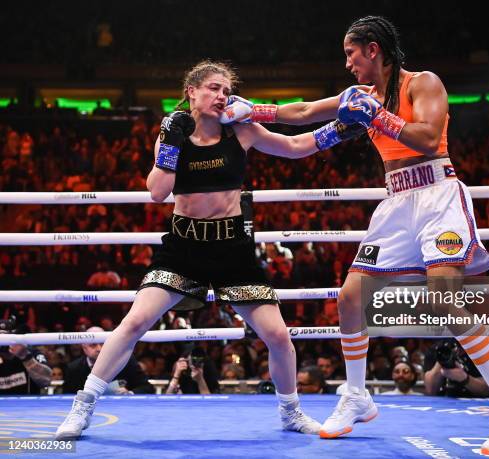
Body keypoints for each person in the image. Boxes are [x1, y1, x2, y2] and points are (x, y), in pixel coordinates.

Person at [221, 16, 489, 455]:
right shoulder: (360, 97)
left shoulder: (422, 83)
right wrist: (251, 109)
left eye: (351, 54)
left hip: (437, 195)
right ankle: (356, 395)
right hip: (396, 203)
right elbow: (302, 115)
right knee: (351, 297)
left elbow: (428, 139)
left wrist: (379, 116)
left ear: (373, 50)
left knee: (445, 296)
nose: (348, 64)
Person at [56, 59, 363, 440]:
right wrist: (169, 143)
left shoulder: (242, 130)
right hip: (184, 248)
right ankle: (82, 405)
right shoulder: (174, 134)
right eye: (214, 88)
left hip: (233, 248)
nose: (222, 96)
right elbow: (156, 192)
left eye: (226, 91)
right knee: (134, 323)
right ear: (192, 92)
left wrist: (339, 129)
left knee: (279, 336)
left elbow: (295, 146)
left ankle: (291, 412)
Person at [62, 327, 154, 395]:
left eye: (102, 343)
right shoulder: (73, 368)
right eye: (93, 345)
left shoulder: (126, 361)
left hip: (122, 409)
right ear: (84, 348)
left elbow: (147, 388)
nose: (99, 348)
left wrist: (129, 393)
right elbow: (66, 396)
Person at [0, 317, 52, 395]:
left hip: (28, 404)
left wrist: (26, 357)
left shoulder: (30, 352)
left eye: (5, 338)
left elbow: (46, 381)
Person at [423, 339, 489, 397]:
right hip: (443, 403)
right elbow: (430, 390)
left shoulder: (482, 349)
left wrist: (465, 379)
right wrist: (443, 358)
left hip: (476, 403)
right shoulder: (437, 349)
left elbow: (486, 390)